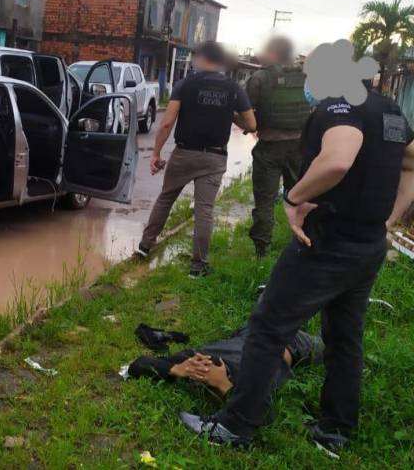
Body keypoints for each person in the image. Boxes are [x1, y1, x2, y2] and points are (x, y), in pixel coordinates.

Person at [180, 87, 414, 452]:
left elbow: (338, 159)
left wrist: (294, 198)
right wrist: (388, 220)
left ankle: (235, 427)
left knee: (268, 329)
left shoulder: (341, 106)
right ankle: (335, 434)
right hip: (367, 248)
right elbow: (411, 161)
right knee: (344, 339)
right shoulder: (390, 111)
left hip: (325, 243)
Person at [136, 41, 256, 277]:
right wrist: (229, 115)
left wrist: (157, 153)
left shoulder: (185, 84)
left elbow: (167, 122)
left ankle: (145, 246)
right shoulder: (233, 88)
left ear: (201, 59)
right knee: (204, 210)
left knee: (165, 198)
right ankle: (197, 266)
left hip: (183, 154)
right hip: (214, 157)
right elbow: (251, 124)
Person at [246, 37, 312, 257]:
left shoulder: (260, 78)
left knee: (265, 201)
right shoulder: (307, 76)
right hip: (300, 147)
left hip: (270, 147)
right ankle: (308, 242)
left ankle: (261, 252)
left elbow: (244, 110)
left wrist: (247, 125)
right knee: (304, 196)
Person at [128, 326, 323, 397]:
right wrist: (178, 369)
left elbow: (138, 364)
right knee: (334, 342)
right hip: (294, 344)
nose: (203, 368)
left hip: (258, 327)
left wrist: (178, 367)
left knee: (278, 295)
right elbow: (259, 416)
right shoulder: (248, 380)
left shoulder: (196, 358)